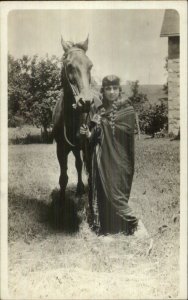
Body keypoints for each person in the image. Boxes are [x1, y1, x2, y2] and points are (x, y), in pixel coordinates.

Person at [80, 75, 138, 235]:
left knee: (117, 187)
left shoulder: (127, 109)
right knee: (101, 187)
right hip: (101, 158)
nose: (111, 92)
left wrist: (103, 125)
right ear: (103, 91)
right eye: (108, 89)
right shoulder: (98, 109)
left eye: (114, 88)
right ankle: (102, 226)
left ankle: (128, 220)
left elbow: (126, 133)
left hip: (120, 159)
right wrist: (87, 134)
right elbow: (93, 133)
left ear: (119, 90)